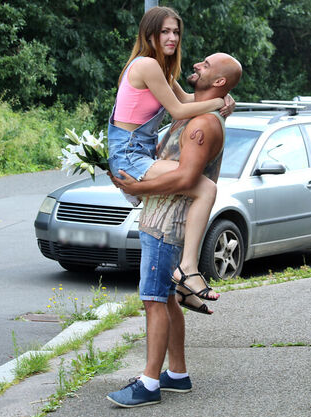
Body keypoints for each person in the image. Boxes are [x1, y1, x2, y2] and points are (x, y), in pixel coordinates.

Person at [106, 52, 242, 408]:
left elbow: (185, 179)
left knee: (153, 301)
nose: (197, 65)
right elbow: (169, 89)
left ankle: (149, 383)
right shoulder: (193, 113)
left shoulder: (203, 124)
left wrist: (137, 187)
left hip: (167, 225)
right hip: (161, 219)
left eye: (206, 65)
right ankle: (177, 374)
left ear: (218, 82)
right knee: (166, 299)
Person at [108, 6, 231, 312]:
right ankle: (188, 270)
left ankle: (184, 278)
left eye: (176, 31)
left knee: (198, 186)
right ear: (150, 34)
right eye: (165, 31)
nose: (172, 37)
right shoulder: (147, 65)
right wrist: (217, 101)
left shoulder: (161, 69)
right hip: (129, 155)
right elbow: (178, 111)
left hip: (138, 152)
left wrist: (225, 101)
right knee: (205, 188)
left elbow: (187, 99)